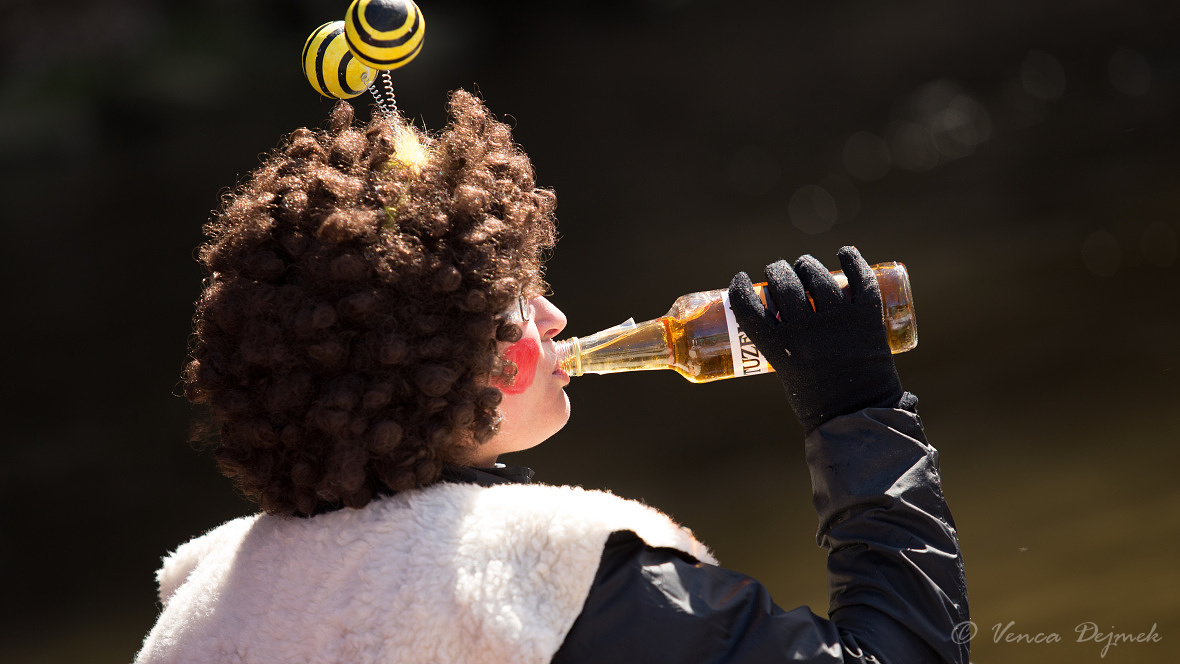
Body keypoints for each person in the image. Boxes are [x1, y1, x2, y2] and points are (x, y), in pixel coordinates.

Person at [135, 91, 968, 663]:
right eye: (514, 307)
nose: (555, 317)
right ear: (428, 367)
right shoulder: (548, 576)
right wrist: (855, 407)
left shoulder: (207, 604)